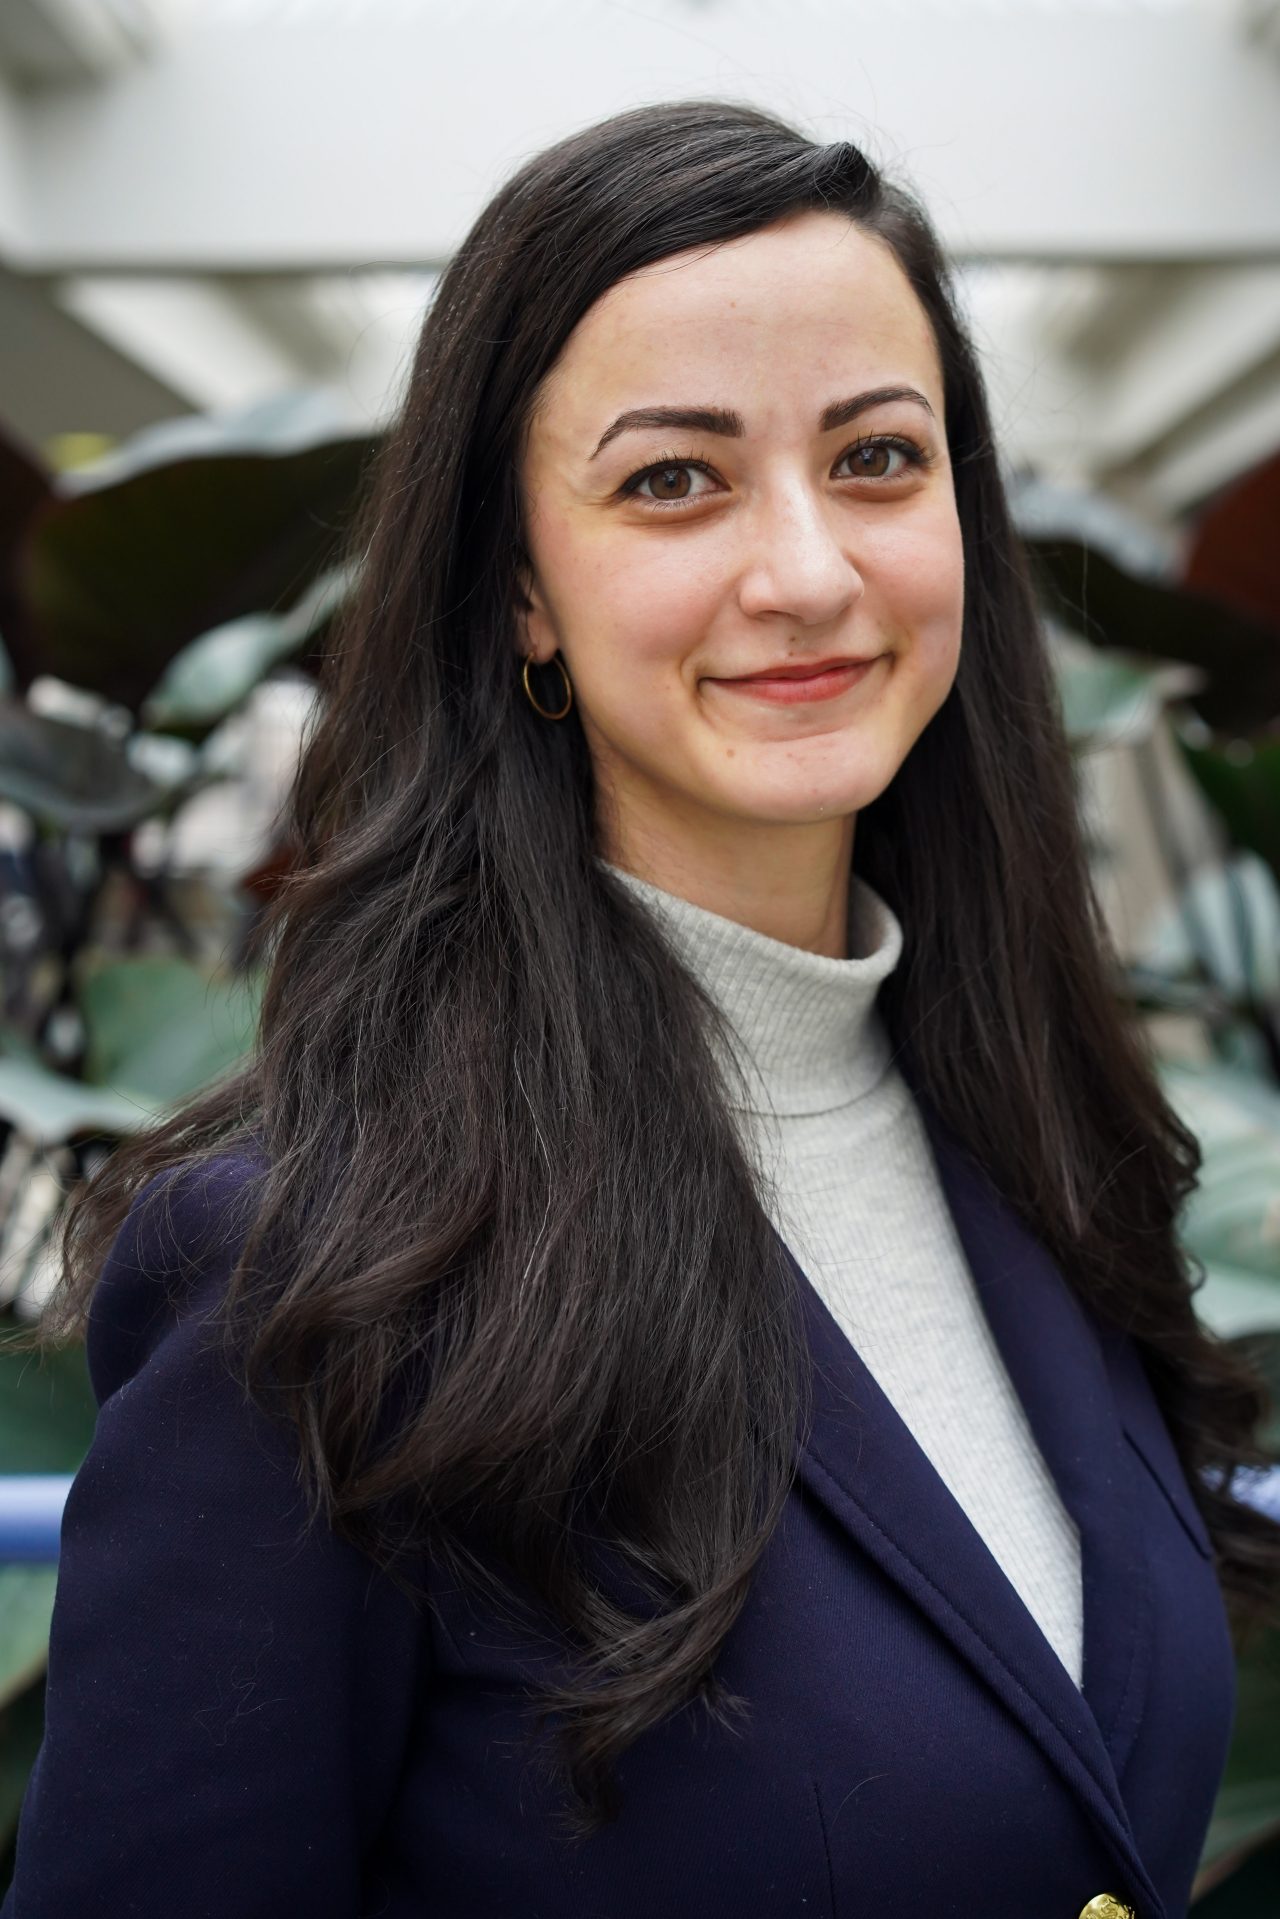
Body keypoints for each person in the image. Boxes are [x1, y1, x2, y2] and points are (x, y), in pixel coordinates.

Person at [5, 100, 1279, 1919]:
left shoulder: (1048, 1141)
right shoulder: (311, 1273)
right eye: (675, 479)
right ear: (522, 586)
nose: (809, 573)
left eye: (878, 458)